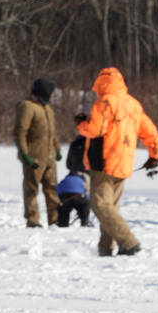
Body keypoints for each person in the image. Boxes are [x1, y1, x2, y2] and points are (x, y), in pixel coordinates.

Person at [76, 67, 158, 256]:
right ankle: (106, 249)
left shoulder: (104, 103)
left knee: (100, 205)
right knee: (110, 209)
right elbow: (150, 132)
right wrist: (155, 154)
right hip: (123, 162)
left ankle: (128, 242)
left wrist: (80, 123)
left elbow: (94, 130)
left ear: (101, 84)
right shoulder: (133, 104)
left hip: (104, 162)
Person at [14, 77, 61, 228]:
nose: (53, 96)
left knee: (52, 189)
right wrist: (25, 154)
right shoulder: (28, 107)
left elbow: (53, 133)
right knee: (31, 190)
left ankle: (55, 220)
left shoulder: (47, 108)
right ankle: (32, 220)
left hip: (49, 157)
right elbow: (20, 132)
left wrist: (57, 148)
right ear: (44, 93)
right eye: (51, 93)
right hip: (34, 157)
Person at [57, 115, 92, 227]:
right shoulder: (93, 143)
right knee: (85, 203)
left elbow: (68, 164)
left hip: (65, 185)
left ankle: (62, 224)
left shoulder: (74, 144)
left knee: (65, 207)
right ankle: (84, 222)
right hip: (84, 182)